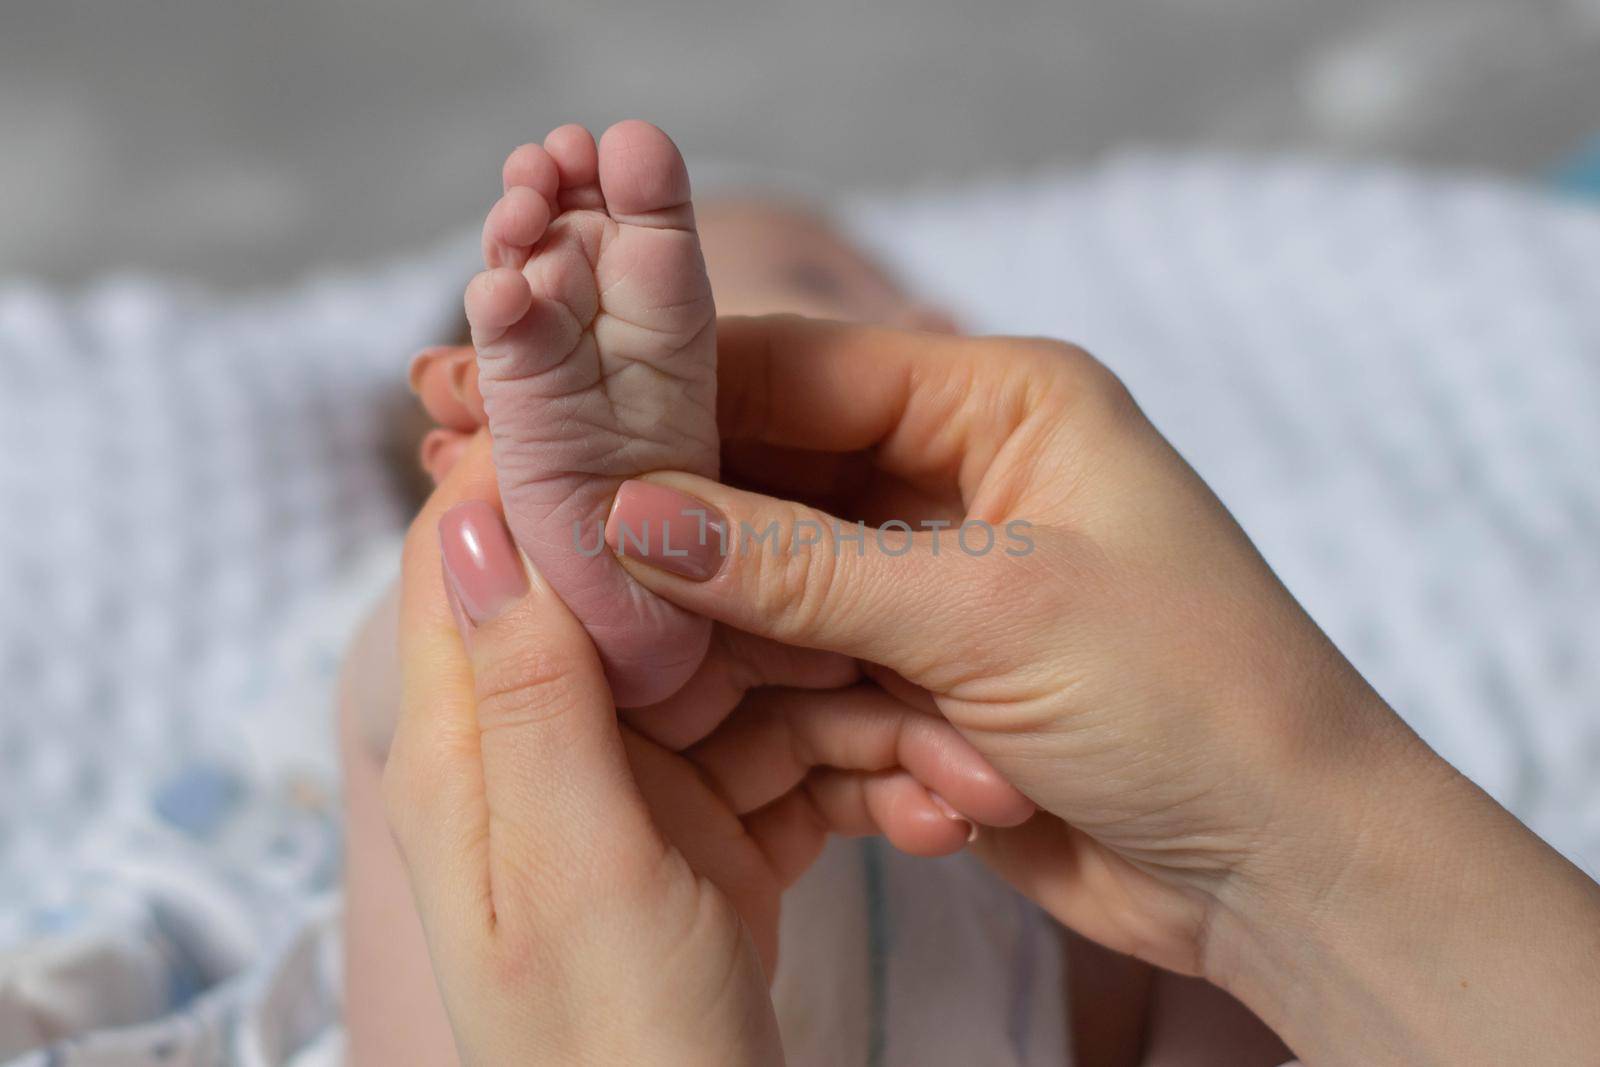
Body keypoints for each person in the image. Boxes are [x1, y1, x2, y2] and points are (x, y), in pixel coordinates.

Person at [350, 121, 1600, 1063]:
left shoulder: (1040, 687)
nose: (747, 331)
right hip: (572, 952)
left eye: (817, 303)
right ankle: (580, 616)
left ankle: (593, 585)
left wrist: (1253, 898)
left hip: (943, 918)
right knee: (433, 709)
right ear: (449, 429)